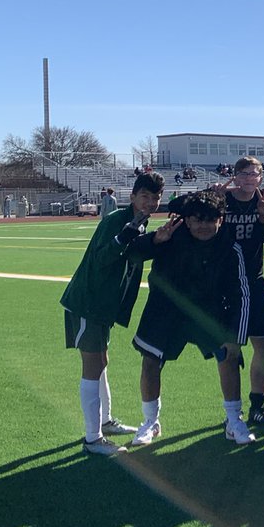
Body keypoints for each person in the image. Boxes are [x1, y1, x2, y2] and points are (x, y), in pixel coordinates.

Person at [129, 190, 254, 447]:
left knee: (229, 357)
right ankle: (150, 421)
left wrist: (235, 337)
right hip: (164, 310)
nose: (203, 226)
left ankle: (233, 420)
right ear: (186, 220)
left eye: (210, 220)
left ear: (221, 219)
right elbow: (133, 254)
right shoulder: (171, 235)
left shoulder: (229, 247)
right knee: (150, 361)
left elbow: (241, 293)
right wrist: (154, 240)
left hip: (208, 313)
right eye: (197, 220)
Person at [60, 171, 165, 455]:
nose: (150, 202)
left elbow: (135, 254)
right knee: (92, 366)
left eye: (155, 198)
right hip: (88, 303)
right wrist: (123, 238)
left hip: (102, 307)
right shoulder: (117, 221)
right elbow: (101, 257)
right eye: (145, 196)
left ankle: (105, 421)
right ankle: (92, 438)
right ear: (132, 196)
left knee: (102, 361)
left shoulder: (139, 224)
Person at [216, 156, 264, 428]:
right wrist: (211, 196)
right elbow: (183, 209)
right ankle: (232, 411)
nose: (250, 178)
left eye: (255, 173)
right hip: (225, 283)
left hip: (254, 280)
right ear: (235, 175)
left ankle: (257, 405)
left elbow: (261, 237)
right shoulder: (222, 199)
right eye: (244, 173)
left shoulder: (263, 201)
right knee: (229, 349)